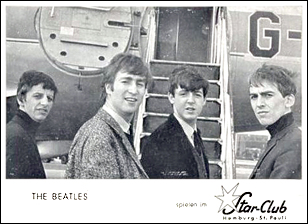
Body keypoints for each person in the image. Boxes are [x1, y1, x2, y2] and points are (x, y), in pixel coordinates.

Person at [65, 53, 151, 179]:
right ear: (109, 88)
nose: (133, 90)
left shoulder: (116, 130)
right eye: (126, 81)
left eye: (140, 84)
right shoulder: (99, 137)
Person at [141, 67, 210, 179]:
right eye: (184, 94)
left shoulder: (194, 135)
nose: (191, 100)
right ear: (171, 97)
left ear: (204, 100)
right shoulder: (160, 141)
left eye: (197, 95)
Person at [248, 64, 301, 179]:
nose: (259, 104)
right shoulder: (282, 139)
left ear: (289, 101)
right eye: (254, 97)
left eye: (267, 95)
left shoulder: (294, 144)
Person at [6, 70, 58, 179]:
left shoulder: (19, 131)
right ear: (21, 99)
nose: (45, 103)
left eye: (49, 98)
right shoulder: (17, 138)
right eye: (38, 96)